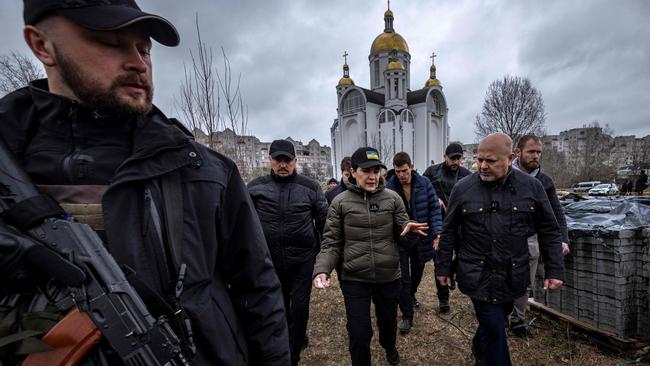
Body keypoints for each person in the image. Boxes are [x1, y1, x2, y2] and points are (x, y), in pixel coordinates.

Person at [0, 1, 290, 365]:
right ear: (41, 45)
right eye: (110, 42)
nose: (138, 63)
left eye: (144, 48)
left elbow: (259, 292)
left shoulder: (206, 172)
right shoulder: (10, 164)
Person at [436, 133, 564, 366]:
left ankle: (479, 349)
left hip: (512, 273)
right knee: (495, 329)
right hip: (476, 273)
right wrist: (443, 267)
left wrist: (555, 269)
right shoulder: (463, 189)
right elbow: (449, 231)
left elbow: (550, 229)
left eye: (491, 161)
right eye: (479, 159)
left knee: (498, 317)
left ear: (510, 157)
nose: (482, 166)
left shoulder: (532, 188)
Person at [312, 147, 428, 366]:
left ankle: (389, 345)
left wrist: (410, 234)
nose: (373, 176)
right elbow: (331, 242)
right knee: (359, 333)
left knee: (388, 324)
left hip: (388, 276)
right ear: (353, 172)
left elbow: (403, 232)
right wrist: (322, 269)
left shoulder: (393, 199)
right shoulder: (340, 202)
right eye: (366, 171)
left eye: (377, 170)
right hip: (355, 278)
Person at [247, 139, 328, 366]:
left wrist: (323, 258)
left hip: (302, 261)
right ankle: (285, 343)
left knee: (300, 310)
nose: (283, 165)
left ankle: (293, 357)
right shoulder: (255, 188)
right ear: (270, 161)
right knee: (278, 308)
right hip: (269, 262)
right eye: (278, 160)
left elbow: (325, 224)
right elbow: (243, 223)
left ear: (295, 161)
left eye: (288, 160)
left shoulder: (310, 188)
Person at [510, 134, 570, 337]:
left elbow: (556, 213)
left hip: (530, 239)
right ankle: (498, 315)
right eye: (531, 152)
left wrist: (563, 239)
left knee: (524, 282)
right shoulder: (504, 174)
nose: (536, 156)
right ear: (518, 152)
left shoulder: (544, 182)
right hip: (503, 237)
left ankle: (517, 319)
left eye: (538, 152)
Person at [385, 152, 442, 333]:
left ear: (411, 166)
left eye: (404, 170)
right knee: (403, 277)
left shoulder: (424, 183)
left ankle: (410, 296)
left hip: (420, 236)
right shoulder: (389, 187)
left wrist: (437, 232)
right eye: (397, 171)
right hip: (400, 238)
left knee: (418, 271)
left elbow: (434, 208)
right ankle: (407, 316)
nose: (401, 175)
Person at [423, 142, 472, 312]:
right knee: (439, 261)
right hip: (440, 225)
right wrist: (434, 199)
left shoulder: (467, 175)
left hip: (462, 226)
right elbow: (421, 189)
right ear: (445, 157)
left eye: (458, 158)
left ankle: (452, 270)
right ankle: (443, 300)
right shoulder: (432, 172)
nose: (455, 162)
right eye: (452, 158)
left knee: (465, 256)